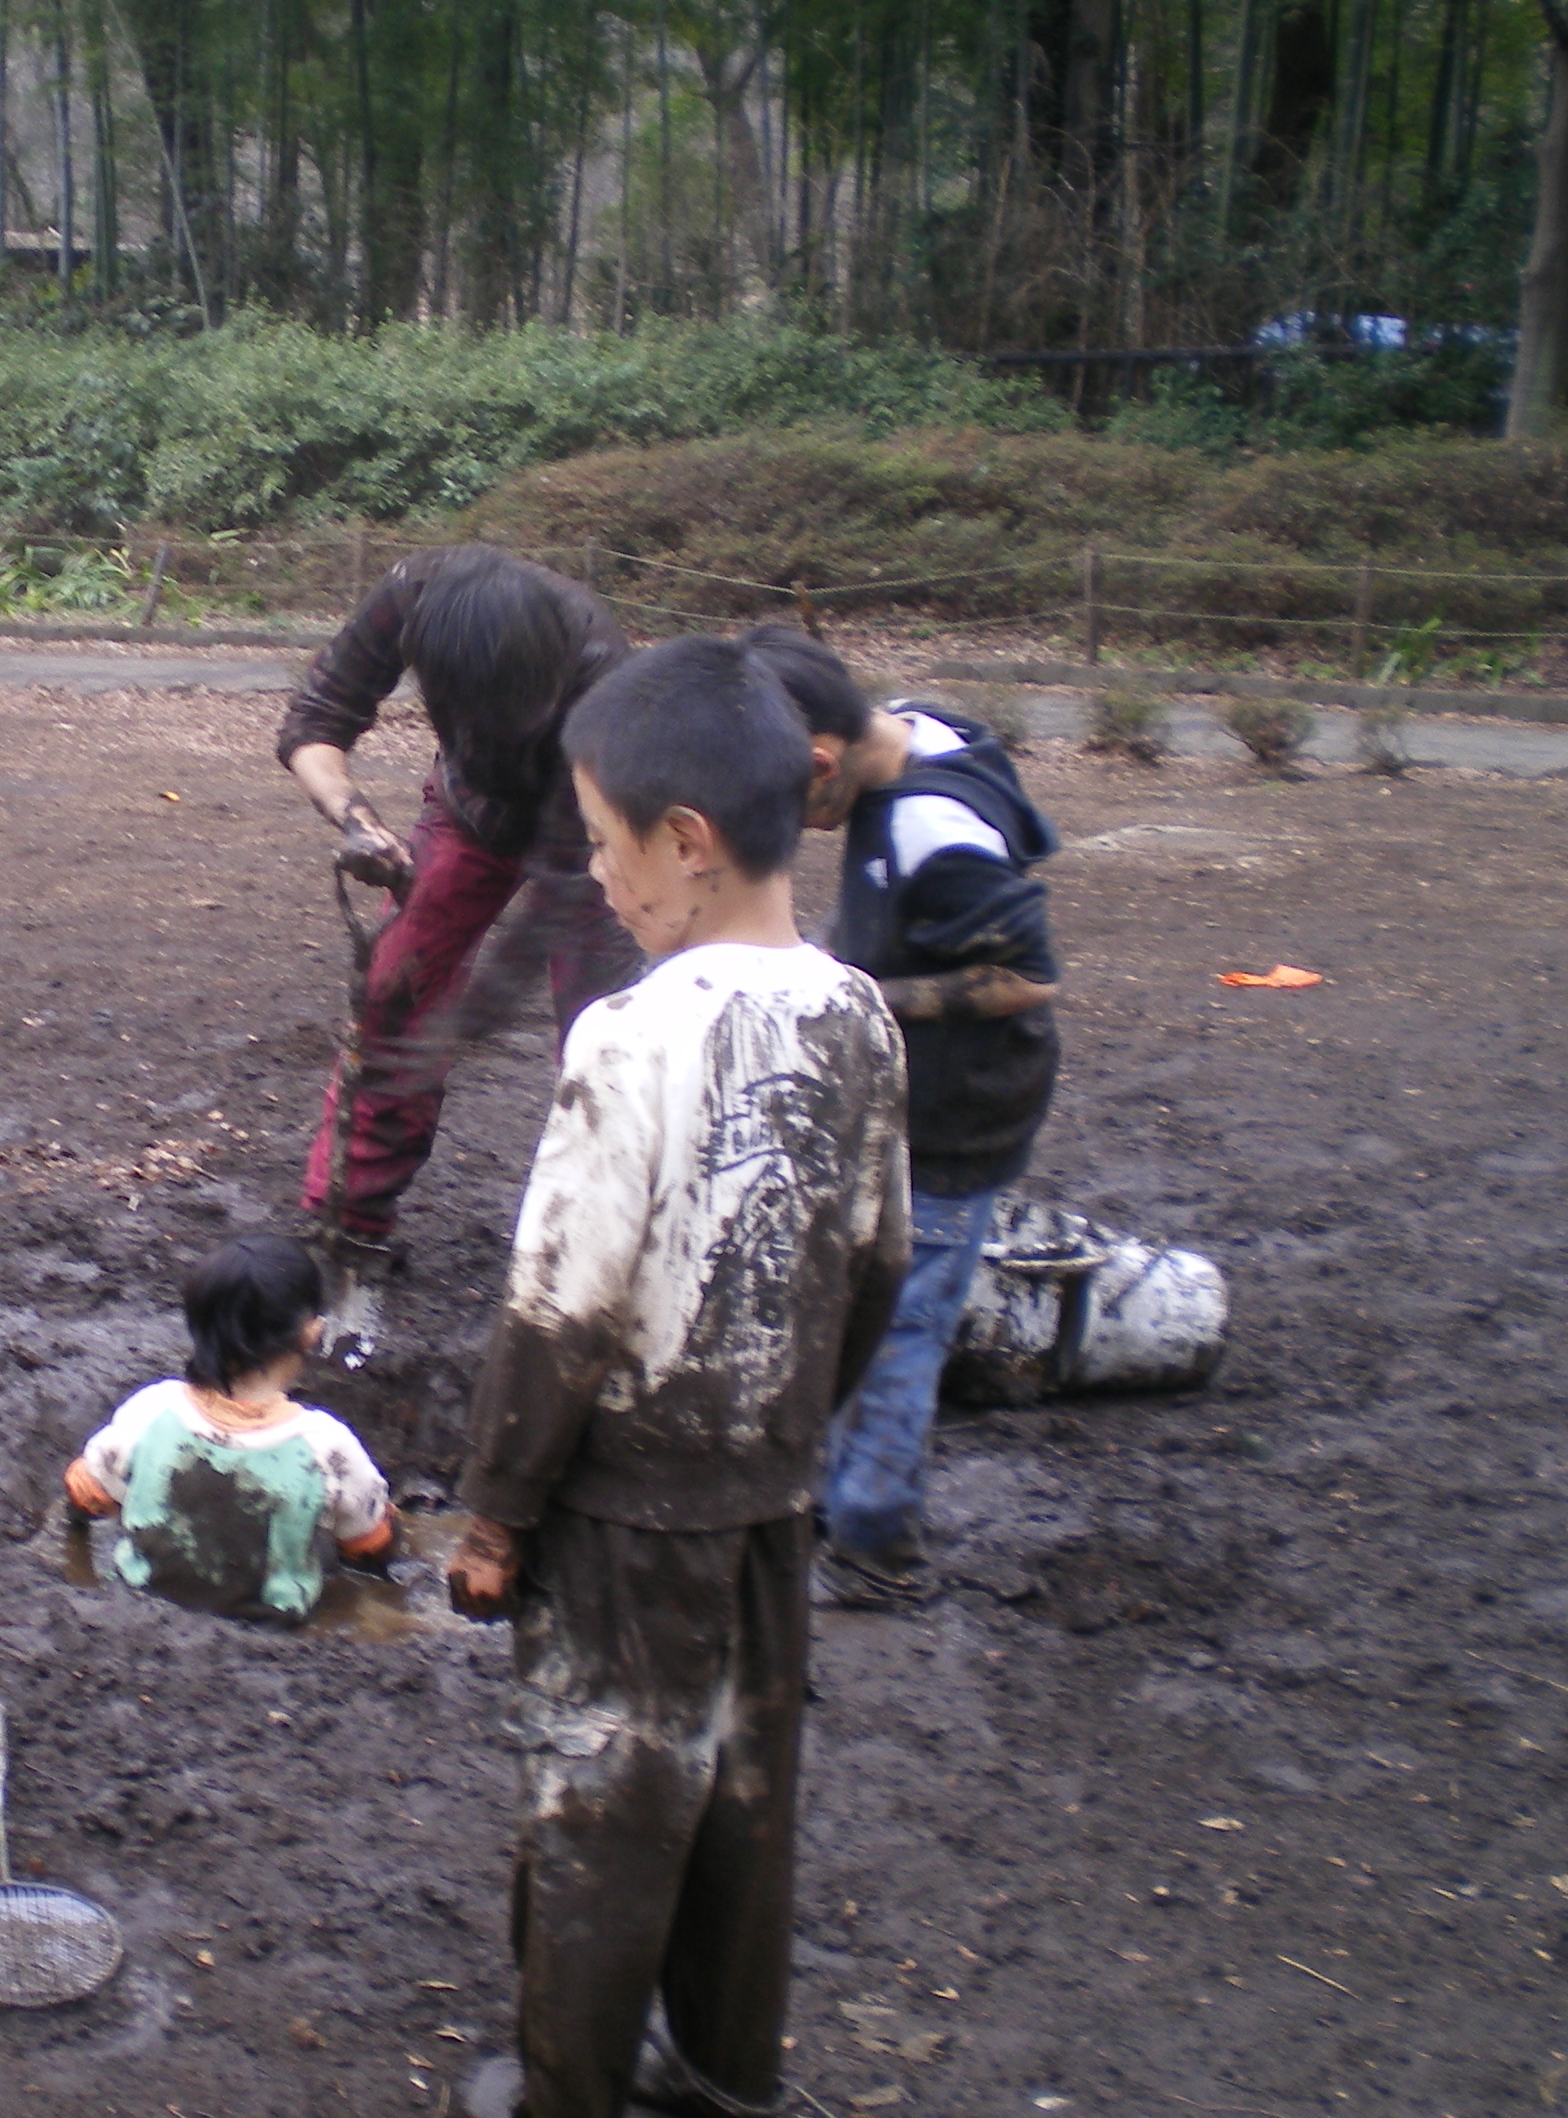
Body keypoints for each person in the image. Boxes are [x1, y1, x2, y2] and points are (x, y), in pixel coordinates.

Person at [441, 635, 910, 2118]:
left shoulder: (630, 1035)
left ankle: (567, 2088)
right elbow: (879, 1257)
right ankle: (724, 2077)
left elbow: (560, 1303)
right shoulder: (860, 1015)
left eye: (601, 844)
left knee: (601, 1806)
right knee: (744, 1808)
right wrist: (797, 1431)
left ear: (687, 844)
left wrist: (500, 1508)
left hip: (622, 1522)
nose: (596, 879)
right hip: (770, 1499)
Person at [741, 623, 1063, 1609]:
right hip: (910, 1109)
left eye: (787, 802)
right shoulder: (920, 729)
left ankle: (876, 1548)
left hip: (958, 1121)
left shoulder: (933, 827)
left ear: (823, 763)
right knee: (859, 1299)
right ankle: (833, 1495)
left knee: (901, 1329)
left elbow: (1024, 978)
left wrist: (861, 996)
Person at [275, 548, 633, 1348]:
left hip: (594, 841)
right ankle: (351, 1234)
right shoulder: (412, 598)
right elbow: (314, 724)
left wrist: (469, 1022)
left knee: (605, 1046)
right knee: (394, 1002)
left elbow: (558, 896)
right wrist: (356, 818)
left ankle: (601, 1258)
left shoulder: (601, 673)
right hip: (470, 812)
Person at [63, 1234, 396, 1623]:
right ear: (312, 1331)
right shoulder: (326, 1446)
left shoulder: (153, 1408)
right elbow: (370, 1546)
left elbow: (84, 1491)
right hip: (272, 1624)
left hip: (144, 1600)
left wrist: (78, 1523)